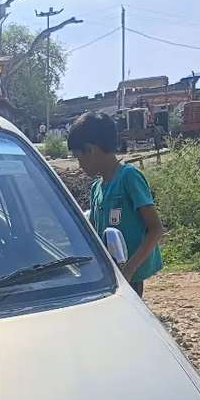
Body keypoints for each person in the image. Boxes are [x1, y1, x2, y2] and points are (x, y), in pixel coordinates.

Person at [67, 111, 163, 297]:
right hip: (111, 276)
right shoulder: (97, 188)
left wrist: (129, 270)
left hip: (129, 277)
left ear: (91, 150)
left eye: (79, 158)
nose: (80, 165)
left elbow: (156, 229)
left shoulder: (129, 177)